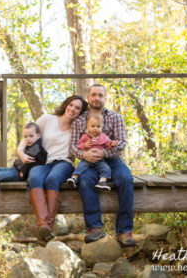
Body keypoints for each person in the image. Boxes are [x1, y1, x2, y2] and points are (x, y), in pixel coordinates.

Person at [70, 84, 136, 247]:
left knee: (126, 179)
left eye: (100, 95)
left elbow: (121, 142)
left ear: (105, 98)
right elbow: (72, 146)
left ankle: (124, 231)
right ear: (88, 97)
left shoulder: (115, 117)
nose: (97, 98)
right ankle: (95, 228)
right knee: (85, 180)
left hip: (113, 160)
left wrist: (105, 153)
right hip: (89, 162)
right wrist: (83, 154)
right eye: (93, 94)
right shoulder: (79, 120)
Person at [18, 95, 88, 246]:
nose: (73, 109)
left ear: (81, 112)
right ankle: (45, 226)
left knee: (52, 179)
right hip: (42, 161)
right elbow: (27, 137)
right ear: (65, 105)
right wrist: (21, 153)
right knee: (34, 178)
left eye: (78, 108)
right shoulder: (46, 119)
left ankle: (45, 226)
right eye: (71, 105)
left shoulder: (78, 128)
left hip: (64, 163)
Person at [67, 112, 118, 192]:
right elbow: (79, 146)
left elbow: (108, 143)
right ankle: (74, 178)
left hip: (99, 160)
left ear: (102, 127)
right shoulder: (85, 137)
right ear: (88, 126)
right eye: (93, 126)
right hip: (86, 159)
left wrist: (112, 144)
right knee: (80, 167)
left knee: (106, 169)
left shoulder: (103, 137)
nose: (95, 128)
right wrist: (85, 145)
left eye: (98, 126)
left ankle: (102, 182)